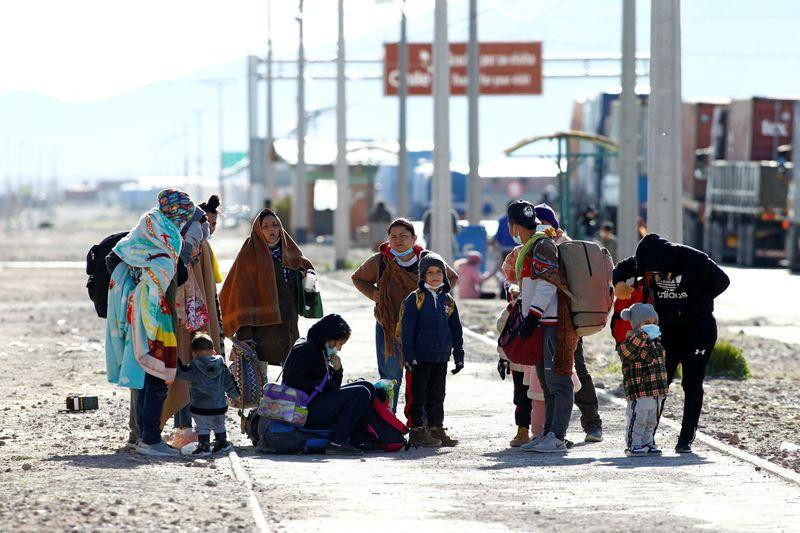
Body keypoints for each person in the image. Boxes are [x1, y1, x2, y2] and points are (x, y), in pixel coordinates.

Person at [613, 233, 729, 453]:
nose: (651, 275)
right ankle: (647, 438)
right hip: (667, 330)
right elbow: (621, 268)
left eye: (655, 272)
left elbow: (723, 281)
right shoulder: (647, 259)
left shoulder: (693, 259)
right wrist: (618, 282)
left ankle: (685, 439)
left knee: (692, 383)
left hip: (698, 329)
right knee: (660, 383)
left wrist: (696, 301)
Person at [105, 188, 194, 456]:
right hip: (154, 315)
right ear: (177, 213)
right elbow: (172, 275)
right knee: (156, 376)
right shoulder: (167, 240)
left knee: (147, 374)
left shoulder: (143, 232)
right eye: (183, 215)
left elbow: (114, 261)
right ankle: (150, 440)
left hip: (138, 314)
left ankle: (145, 436)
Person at [351, 218, 457, 412]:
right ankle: (388, 423)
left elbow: (452, 276)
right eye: (393, 236)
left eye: (403, 236)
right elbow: (357, 278)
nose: (398, 240)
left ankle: (421, 426)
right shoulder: (380, 261)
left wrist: (437, 298)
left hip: (422, 330)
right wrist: (373, 294)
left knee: (421, 377)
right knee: (390, 378)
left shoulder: (428, 260)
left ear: (414, 238)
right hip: (388, 327)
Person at [506, 200, 578, 453]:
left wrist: (533, 316)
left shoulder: (541, 244)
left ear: (512, 226)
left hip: (552, 323)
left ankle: (558, 436)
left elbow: (549, 283)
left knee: (558, 380)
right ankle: (549, 432)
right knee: (547, 382)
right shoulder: (536, 243)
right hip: (541, 323)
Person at [534, 203, 604, 443]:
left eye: (542, 224)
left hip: (567, 321)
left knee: (576, 370)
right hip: (545, 320)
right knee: (548, 376)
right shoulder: (535, 245)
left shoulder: (566, 246)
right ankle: (545, 430)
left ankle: (592, 423)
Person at [220, 208, 316, 378]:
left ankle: (286, 402)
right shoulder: (249, 255)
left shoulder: (290, 253)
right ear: (258, 229)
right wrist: (245, 333)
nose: (271, 229)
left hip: (286, 323)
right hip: (259, 328)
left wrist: (306, 278)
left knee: (291, 372)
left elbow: (305, 281)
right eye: (265, 226)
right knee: (258, 375)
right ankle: (261, 404)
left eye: (275, 225)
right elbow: (239, 293)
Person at [282, 314, 376, 456]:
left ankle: (358, 439)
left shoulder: (320, 351)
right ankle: (337, 442)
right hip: (303, 411)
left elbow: (333, 387)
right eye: (339, 344)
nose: (339, 349)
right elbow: (291, 381)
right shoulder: (305, 348)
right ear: (329, 338)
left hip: (316, 403)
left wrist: (338, 371)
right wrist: (320, 386)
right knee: (361, 392)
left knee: (368, 387)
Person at [400, 252, 464, 447]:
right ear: (422, 276)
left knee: (438, 394)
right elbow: (407, 329)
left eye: (439, 271)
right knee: (417, 394)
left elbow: (456, 330)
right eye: (429, 272)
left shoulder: (448, 300)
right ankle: (417, 429)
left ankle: (436, 428)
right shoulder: (415, 299)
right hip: (420, 357)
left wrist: (458, 355)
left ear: (444, 275)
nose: (435, 276)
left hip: (441, 357)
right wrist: (409, 356)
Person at [175, 333, 240, 457]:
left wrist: (176, 360)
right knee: (219, 425)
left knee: (203, 427)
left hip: (201, 407)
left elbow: (181, 374)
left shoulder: (193, 367)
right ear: (213, 351)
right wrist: (235, 396)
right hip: (220, 406)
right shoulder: (221, 366)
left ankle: (204, 447)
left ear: (194, 353)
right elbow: (230, 383)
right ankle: (222, 444)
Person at [616, 303, 668, 456]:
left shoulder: (656, 342)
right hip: (640, 391)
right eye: (646, 323)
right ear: (637, 325)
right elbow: (626, 353)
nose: (651, 326)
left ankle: (648, 442)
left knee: (652, 421)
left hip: (657, 390)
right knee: (637, 419)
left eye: (653, 323)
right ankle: (634, 444)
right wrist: (643, 335)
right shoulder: (631, 341)